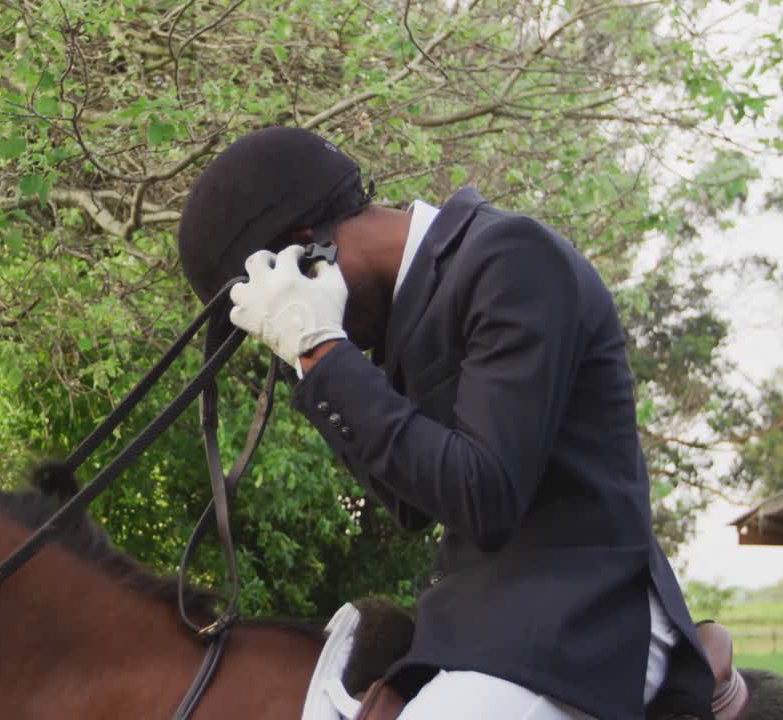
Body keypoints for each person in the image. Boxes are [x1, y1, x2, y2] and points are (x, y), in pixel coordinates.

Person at [176, 126, 715, 720]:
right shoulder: (409, 314)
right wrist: (315, 363)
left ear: (309, 253)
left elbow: (484, 494)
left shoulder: (511, 258)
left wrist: (323, 353)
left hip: (580, 622)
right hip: (483, 625)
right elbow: (412, 505)